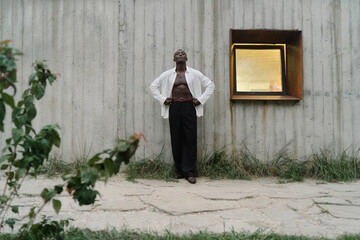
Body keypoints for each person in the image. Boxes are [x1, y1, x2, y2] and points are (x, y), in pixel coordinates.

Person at [150, 49, 214, 184]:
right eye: (177, 54)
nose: (180, 54)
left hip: (189, 107)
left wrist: (200, 99)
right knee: (176, 138)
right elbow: (153, 86)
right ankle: (179, 170)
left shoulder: (194, 74)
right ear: (174, 59)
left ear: (186, 58)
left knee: (190, 139)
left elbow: (210, 85)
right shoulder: (168, 74)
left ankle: (190, 172)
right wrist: (163, 99)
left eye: (183, 53)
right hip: (174, 107)